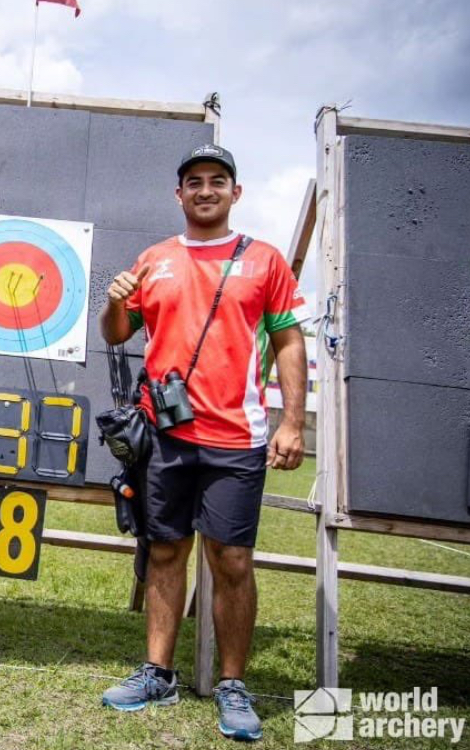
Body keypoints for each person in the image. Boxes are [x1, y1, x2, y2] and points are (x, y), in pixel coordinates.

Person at [98, 145, 307, 742]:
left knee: (232, 560)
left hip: (236, 438)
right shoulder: (155, 258)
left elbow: (289, 344)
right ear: (179, 194)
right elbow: (117, 333)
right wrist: (115, 301)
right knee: (164, 552)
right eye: (194, 181)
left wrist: (291, 421)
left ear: (235, 193)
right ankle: (157, 673)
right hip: (163, 437)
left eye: (218, 181)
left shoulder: (264, 260)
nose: (206, 190)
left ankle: (233, 686)